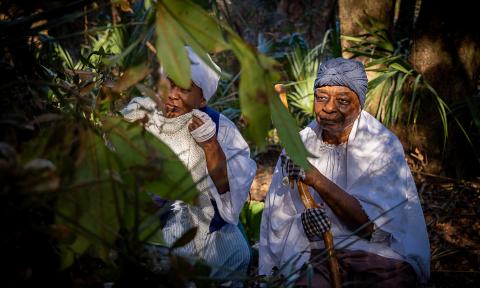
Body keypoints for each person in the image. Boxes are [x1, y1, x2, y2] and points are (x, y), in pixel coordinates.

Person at [259, 57, 430, 287]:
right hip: (317, 254)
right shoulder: (298, 145)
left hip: (379, 255)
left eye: (342, 100)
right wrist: (304, 225)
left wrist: (317, 179)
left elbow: (372, 230)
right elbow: (278, 215)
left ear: (360, 103)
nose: (328, 107)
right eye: (321, 98)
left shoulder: (382, 145)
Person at [121, 47, 256, 279]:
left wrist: (210, 145)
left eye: (183, 88)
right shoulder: (140, 113)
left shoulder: (219, 128)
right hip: (145, 217)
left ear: (202, 98)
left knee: (237, 252)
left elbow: (229, 194)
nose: (172, 95)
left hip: (201, 219)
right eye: (168, 84)